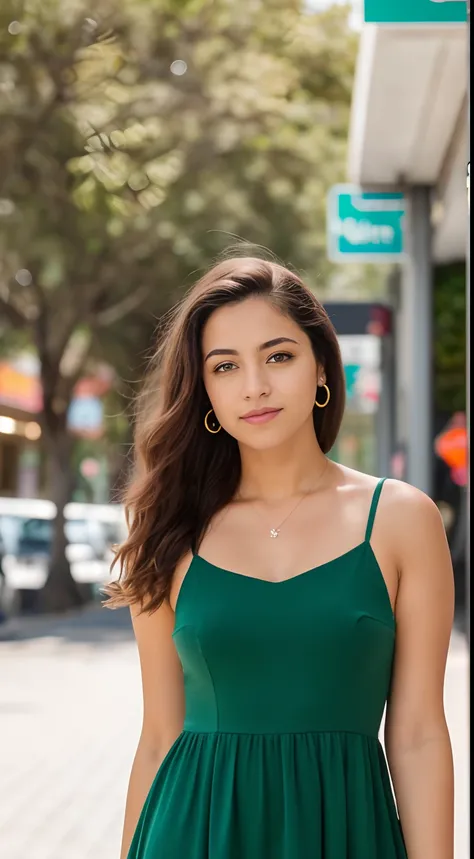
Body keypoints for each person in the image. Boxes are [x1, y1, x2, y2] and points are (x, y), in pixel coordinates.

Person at [104, 257, 455, 859]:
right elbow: (160, 735)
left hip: (344, 833)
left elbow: (419, 733)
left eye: (278, 356)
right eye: (225, 366)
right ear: (205, 391)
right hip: (194, 835)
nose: (254, 387)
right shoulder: (168, 526)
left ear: (321, 366)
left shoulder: (401, 519)